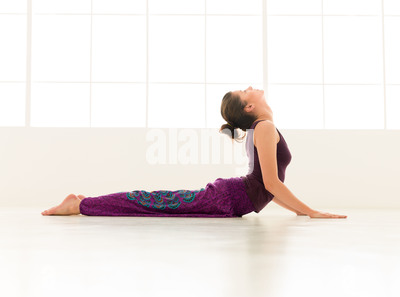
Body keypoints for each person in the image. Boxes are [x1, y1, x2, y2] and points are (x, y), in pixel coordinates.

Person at [41, 87, 346, 219]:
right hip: (226, 199)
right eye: (246, 90)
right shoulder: (264, 127)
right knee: (151, 202)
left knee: (154, 201)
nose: (251, 87)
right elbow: (271, 184)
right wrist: (311, 211)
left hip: (229, 198)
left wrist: (301, 211)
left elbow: (269, 185)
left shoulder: (263, 127)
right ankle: (82, 205)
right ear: (249, 107)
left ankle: (83, 203)